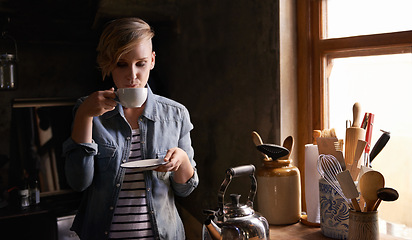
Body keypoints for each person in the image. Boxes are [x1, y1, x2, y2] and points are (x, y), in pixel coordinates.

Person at [63, 17, 199, 240]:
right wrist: (85, 115)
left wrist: (182, 160)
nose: (132, 75)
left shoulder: (176, 114)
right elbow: (79, 182)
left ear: (152, 61)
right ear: (109, 64)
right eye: (121, 64)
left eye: (141, 63)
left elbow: (185, 190)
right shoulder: (87, 110)